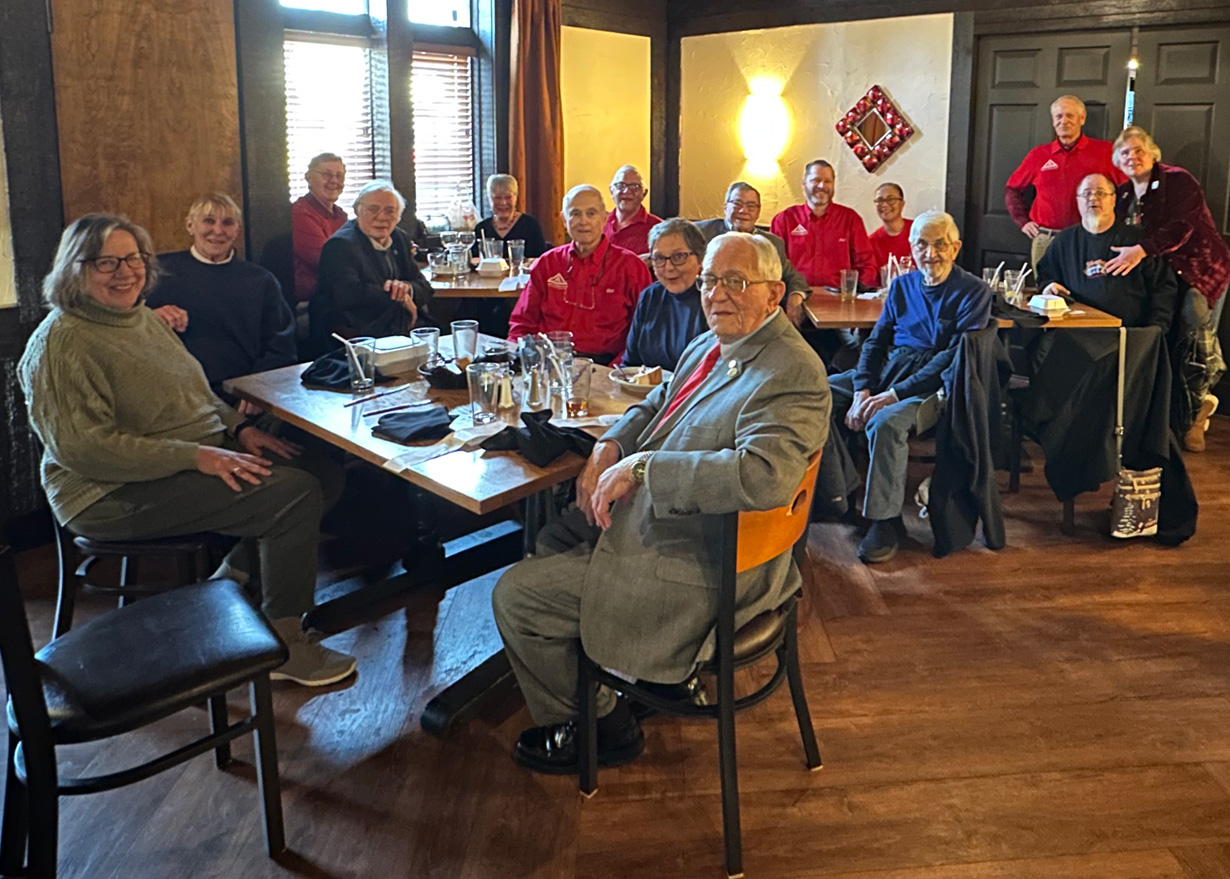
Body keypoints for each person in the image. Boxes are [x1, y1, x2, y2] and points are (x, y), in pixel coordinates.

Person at [492, 231, 830, 774]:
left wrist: (643, 468)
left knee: (516, 597)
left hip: (712, 564)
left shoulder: (791, 370)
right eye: (710, 280)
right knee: (554, 533)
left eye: (736, 281)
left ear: (774, 293)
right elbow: (656, 403)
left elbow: (764, 476)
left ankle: (603, 726)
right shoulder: (713, 342)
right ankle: (634, 674)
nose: (717, 293)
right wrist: (609, 446)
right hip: (678, 524)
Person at [18, 214, 356, 686]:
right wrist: (199, 457)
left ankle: (230, 583)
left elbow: (196, 394)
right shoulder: (62, 342)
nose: (125, 272)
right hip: (106, 492)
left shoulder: (140, 317)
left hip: (187, 455)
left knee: (322, 473)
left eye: (133, 258)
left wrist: (239, 429)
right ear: (73, 270)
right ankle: (284, 645)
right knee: (293, 494)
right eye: (105, 262)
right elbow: (86, 450)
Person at [829, 210, 993, 565]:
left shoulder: (974, 292)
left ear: (955, 248)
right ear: (911, 247)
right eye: (921, 244)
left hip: (936, 384)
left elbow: (950, 359)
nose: (930, 254)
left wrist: (893, 395)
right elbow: (875, 342)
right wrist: (861, 389)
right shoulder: (902, 286)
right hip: (892, 367)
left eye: (940, 245)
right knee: (818, 395)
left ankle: (885, 521)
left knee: (885, 422)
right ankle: (838, 490)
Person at [1109, 125, 1230, 451]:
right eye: (1125, 152)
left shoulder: (1177, 180)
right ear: (1117, 161)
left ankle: (1197, 414)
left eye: (1138, 150)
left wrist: (1141, 251)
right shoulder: (1122, 194)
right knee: (1164, 334)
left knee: (1193, 328)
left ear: (1153, 154)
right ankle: (1172, 414)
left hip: (1199, 270)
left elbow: (1182, 226)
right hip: (1162, 277)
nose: (1132, 157)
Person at [146, 193, 297, 415]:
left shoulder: (261, 280)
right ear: (190, 225)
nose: (218, 230)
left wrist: (259, 389)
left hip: (244, 395)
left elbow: (281, 343)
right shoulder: (158, 272)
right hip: (177, 396)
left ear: (237, 230)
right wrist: (151, 316)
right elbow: (125, 324)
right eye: (208, 221)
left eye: (227, 223)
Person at [507, 184, 652, 363]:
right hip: (547, 361)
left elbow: (644, 333)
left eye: (591, 213)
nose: (583, 221)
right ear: (564, 219)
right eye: (575, 214)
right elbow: (522, 322)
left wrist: (617, 370)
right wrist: (521, 357)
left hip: (606, 365)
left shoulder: (631, 267)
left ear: (604, 218)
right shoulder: (547, 263)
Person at [1037, 173, 1177, 332]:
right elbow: (1045, 275)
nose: (1092, 198)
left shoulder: (1138, 242)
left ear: (1113, 200)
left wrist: (1155, 330)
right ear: (1078, 201)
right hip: (1073, 333)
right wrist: (1049, 286)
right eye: (1086, 193)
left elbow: (1163, 288)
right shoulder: (1063, 241)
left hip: (1128, 335)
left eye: (1100, 193)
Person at [309, 180, 434, 354]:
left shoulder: (400, 238)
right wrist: (399, 297)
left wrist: (406, 289)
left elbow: (425, 287)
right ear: (357, 211)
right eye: (373, 209)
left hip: (396, 327)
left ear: (398, 216)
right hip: (353, 334)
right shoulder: (340, 245)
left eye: (390, 211)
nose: (381, 217)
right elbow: (348, 295)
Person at [1005, 95, 1125, 270]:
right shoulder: (1039, 155)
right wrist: (1023, 221)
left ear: (1082, 118)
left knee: (1088, 285)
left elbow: (1127, 190)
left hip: (1089, 238)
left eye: (1070, 115)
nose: (1064, 121)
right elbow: (1012, 189)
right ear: (1053, 121)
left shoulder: (1105, 151)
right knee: (1046, 286)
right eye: (1059, 116)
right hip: (1046, 239)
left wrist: (1114, 224)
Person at [694, 181, 811, 326]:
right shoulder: (700, 234)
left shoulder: (772, 243)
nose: (744, 210)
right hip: (709, 313)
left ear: (758, 212)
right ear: (725, 207)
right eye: (737, 204)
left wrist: (796, 296)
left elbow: (793, 277)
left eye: (751, 206)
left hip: (757, 318)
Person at [770, 159, 877, 290]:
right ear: (804, 184)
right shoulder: (784, 220)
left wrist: (857, 294)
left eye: (827, 181)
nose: (822, 186)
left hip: (839, 297)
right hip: (794, 295)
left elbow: (866, 264)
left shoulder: (850, 219)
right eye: (816, 180)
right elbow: (772, 265)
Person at [622, 218, 708, 371]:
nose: (668, 267)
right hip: (645, 385)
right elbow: (630, 363)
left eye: (679, 257)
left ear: (700, 259)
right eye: (659, 258)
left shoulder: (712, 299)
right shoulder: (650, 296)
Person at [291, 152, 349, 305]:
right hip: (312, 303)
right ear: (309, 177)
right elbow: (327, 262)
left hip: (340, 295)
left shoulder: (340, 215)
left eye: (339, 176)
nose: (334, 181)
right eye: (327, 175)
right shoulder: (299, 214)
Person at [473, 173, 550, 258]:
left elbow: (539, 260)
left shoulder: (530, 225)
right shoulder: (481, 229)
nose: (503, 203)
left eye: (508, 197)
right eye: (497, 198)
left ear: (516, 197)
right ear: (489, 199)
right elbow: (474, 260)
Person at [602, 165, 662, 256]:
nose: (627, 191)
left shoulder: (658, 229)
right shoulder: (599, 223)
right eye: (621, 185)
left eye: (635, 186)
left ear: (644, 193)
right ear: (611, 191)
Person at [868, 183, 913, 276]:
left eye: (891, 199)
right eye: (880, 200)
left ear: (902, 204)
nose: (884, 204)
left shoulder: (918, 230)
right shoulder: (871, 242)